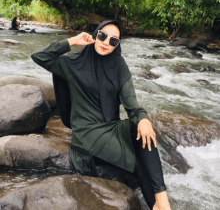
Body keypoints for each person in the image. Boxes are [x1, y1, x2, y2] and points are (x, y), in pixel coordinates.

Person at [31, 20, 171, 210]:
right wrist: (72, 41)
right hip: (87, 134)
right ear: (96, 34)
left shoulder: (119, 65)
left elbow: (131, 103)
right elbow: (39, 56)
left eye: (113, 41)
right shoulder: (73, 63)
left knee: (146, 133)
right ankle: (158, 205)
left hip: (110, 127)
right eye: (102, 35)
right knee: (137, 165)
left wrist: (144, 119)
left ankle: (162, 201)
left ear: (117, 45)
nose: (106, 42)